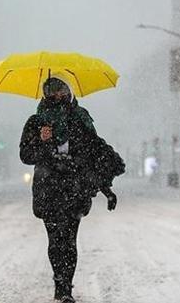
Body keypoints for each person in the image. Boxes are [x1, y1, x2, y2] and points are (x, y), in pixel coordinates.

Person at [19, 75, 124, 303]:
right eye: (53, 91)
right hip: (49, 189)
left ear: (69, 91)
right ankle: (61, 285)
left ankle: (66, 288)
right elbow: (26, 155)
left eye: (62, 90)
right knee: (55, 240)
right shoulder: (36, 122)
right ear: (46, 94)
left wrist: (106, 188)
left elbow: (95, 154)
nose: (59, 95)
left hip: (74, 188)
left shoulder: (80, 119)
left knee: (69, 240)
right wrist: (43, 142)